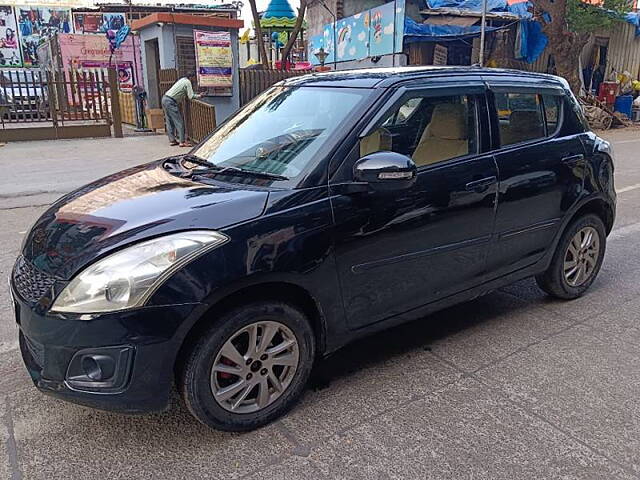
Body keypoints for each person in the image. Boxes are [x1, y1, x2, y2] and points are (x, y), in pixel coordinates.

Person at [162, 73, 199, 147]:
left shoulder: (182, 80)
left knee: (169, 121)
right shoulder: (188, 82)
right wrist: (199, 96)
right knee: (179, 122)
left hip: (165, 98)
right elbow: (191, 96)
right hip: (171, 101)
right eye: (195, 78)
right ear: (191, 77)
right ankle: (182, 141)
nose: (195, 81)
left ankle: (172, 140)